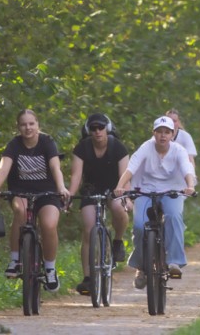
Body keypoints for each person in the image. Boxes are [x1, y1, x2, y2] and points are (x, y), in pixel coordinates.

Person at [0, 109, 69, 292]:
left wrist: (62, 188)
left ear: (38, 125)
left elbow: (55, 167)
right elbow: (3, 169)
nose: (28, 128)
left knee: (49, 225)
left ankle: (49, 269)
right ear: (18, 127)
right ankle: (15, 260)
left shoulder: (47, 142)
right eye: (23, 124)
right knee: (21, 212)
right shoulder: (14, 145)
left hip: (47, 193)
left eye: (31, 123)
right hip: (21, 192)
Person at [114, 116, 196, 289]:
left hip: (172, 191)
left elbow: (187, 169)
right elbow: (131, 168)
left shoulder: (179, 150)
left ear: (172, 134)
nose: (163, 136)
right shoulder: (146, 147)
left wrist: (189, 186)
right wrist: (120, 186)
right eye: (159, 132)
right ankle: (141, 267)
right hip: (145, 190)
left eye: (167, 132)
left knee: (173, 216)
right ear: (154, 133)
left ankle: (173, 261)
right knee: (139, 225)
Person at [69, 113, 131, 295]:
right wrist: (69, 197)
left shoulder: (118, 147)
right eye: (93, 128)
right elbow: (76, 176)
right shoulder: (82, 148)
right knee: (88, 230)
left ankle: (118, 241)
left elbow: (125, 175)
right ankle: (88, 278)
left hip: (115, 187)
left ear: (107, 128)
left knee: (119, 208)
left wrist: (125, 196)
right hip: (91, 189)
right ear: (89, 130)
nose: (97, 132)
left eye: (101, 127)